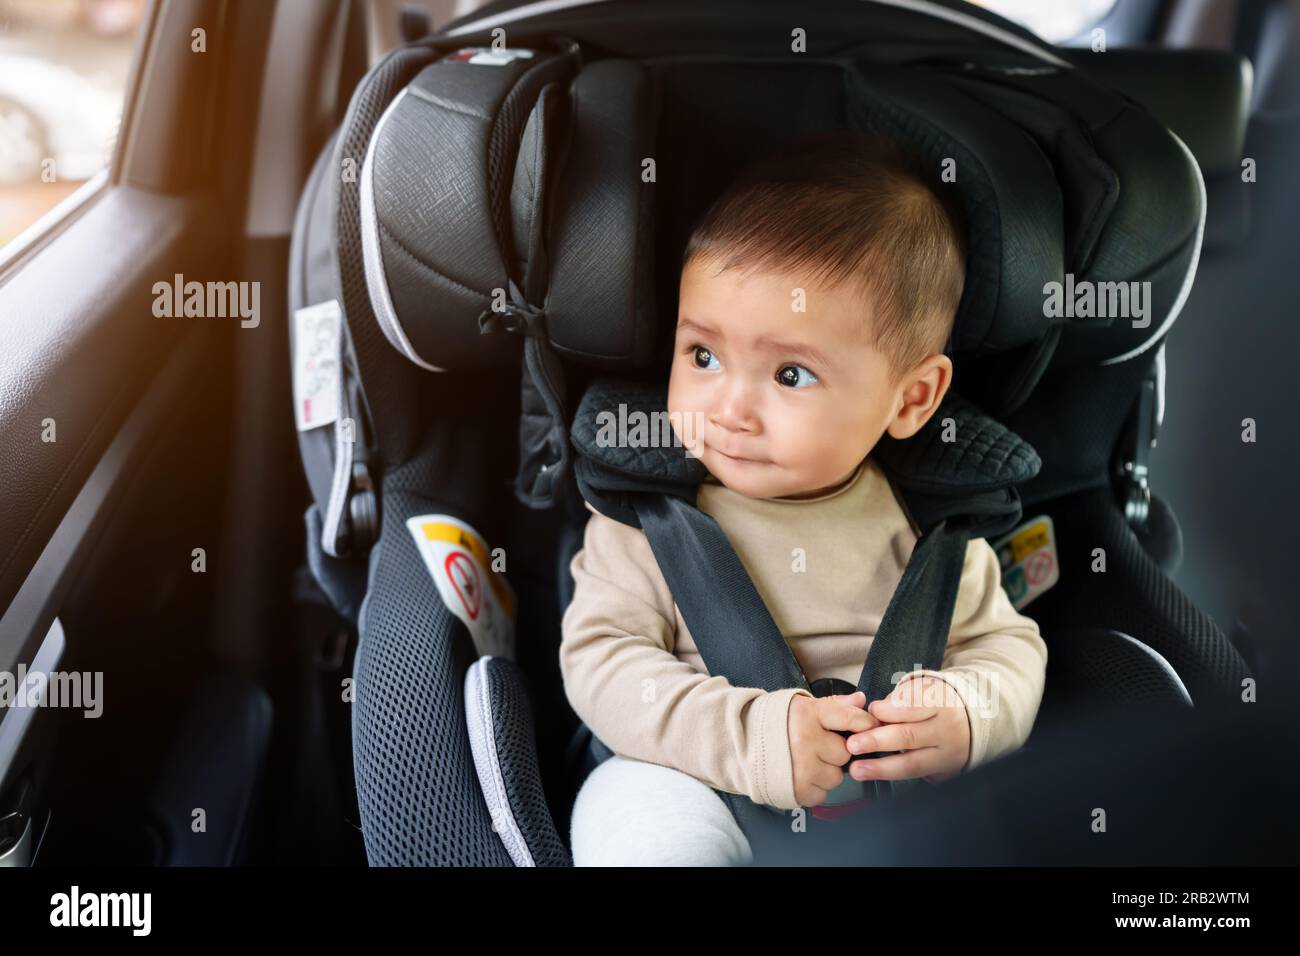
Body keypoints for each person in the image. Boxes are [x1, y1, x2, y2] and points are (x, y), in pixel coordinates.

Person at [560, 129, 1047, 865]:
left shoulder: (931, 523)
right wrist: (748, 736)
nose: (728, 408)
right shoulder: (647, 516)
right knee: (636, 818)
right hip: (695, 775)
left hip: (896, 807)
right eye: (703, 355)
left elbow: (1006, 647)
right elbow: (602, 663)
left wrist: (969, 714)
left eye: (790, 375)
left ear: (912, 397)